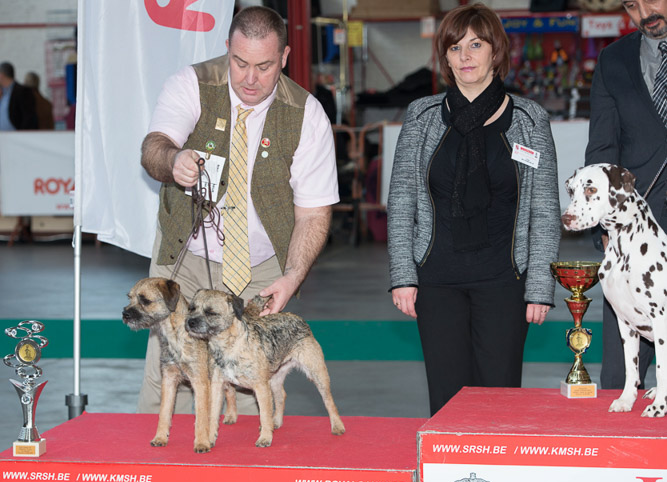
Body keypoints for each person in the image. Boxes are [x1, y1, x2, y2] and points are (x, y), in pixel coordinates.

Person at [137, 5, 338, 415]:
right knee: (169, 379)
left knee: (247, 396)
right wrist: (173, 160)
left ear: (283, 58)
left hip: (260, 270)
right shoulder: (191, 84)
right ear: (227, 48)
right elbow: (153, 147)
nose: (249, 78)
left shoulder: (307, 115)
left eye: (264, 66)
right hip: (185, 261)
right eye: (240, 62)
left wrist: (293, 276)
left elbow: (314, 214)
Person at [388, 3, 560, 416]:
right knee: (446, 404)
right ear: (444, 57)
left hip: (504, 281)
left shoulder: (530, 120)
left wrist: (539, 286)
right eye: (454, 47)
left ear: (495, 52)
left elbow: (545, 209)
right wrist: (402, 276)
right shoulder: (422, 117)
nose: (464, 56)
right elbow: (401, 201)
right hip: (437, 283)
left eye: (475, 44)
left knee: (500, 403)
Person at [584, 0, 667, 390]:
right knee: (617, 381)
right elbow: (602, 148)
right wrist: (605, 219)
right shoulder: (612, 61)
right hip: (635, 234)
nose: (645, 11)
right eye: (632, 4)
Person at [0, 61, 38, 130]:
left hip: (17, 138)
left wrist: (21, 136)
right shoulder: (2, 93)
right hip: (3, 137)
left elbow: (29, 118)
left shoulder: (23, 92)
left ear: (1, 75)